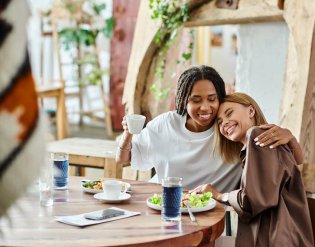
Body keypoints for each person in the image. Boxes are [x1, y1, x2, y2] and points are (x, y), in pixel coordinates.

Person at [116, 65, 303, 192]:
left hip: (211, 212)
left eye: (212, 99)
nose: (205, 108)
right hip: (166, 203)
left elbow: (287, 164)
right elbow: (124, 160)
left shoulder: (229, 131)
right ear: (183, 101)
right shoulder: (166, 124)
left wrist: (290, 138)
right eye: (196, 100)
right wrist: (128, 133)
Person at [190, 92, 314, 247]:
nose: (224, 123)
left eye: (229, 113)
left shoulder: (257, 136)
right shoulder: (262, 142)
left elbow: (252, 202)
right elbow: (295, 163)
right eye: (219, 122)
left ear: (251, 111)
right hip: (280, 241)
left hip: (273, 244)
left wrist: (219, 195)